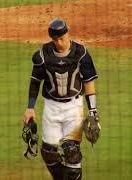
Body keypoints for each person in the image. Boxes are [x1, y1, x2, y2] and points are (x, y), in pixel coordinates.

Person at [23, 18, 100, 180]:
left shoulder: (81, 54)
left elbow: (88, 82)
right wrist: (30, 108)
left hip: (74, 107)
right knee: (48, 153)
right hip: (51, 107)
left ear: (68, 33)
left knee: (71, 149)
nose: (59, 42)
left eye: (62, 38)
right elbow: (35, 81)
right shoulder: (43, 55)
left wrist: (93, 111)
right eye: (55, 39)